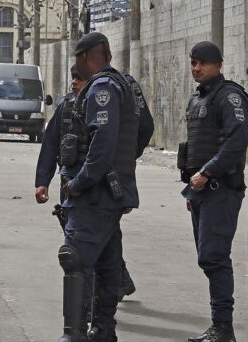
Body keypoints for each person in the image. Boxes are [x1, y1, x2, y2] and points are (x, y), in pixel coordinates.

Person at [52, 32, 142, 342]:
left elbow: (101, 146)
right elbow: (142, 131)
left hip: (94, 194)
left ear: (85, 57)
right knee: (107, 263)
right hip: (108, 193)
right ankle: (104, 331)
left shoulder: (102, 89)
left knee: (74, 257)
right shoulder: (121, 85)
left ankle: (74, 334)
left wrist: (79, 182)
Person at [179, 41, 248, 342]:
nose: (197, 68)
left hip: (220, 189)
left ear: (218, 65)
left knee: (214, 256)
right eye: (193, 63)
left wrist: (206, 173)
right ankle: (219, 326)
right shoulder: (198, 98)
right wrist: (193, 185)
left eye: (203, 63)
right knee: (207, 257)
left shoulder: (229, 96)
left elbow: (236, 144)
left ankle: (223, 328)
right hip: (201, 191)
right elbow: (195, 146)